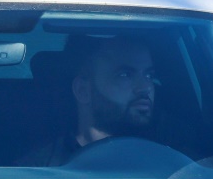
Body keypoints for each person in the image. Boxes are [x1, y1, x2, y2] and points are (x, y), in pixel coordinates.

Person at [23, 35, 158, 166]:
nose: (145, 87)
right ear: (83, 90)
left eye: (149, 75)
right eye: (124, 75)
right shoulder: (40, 172)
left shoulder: (170, 163)